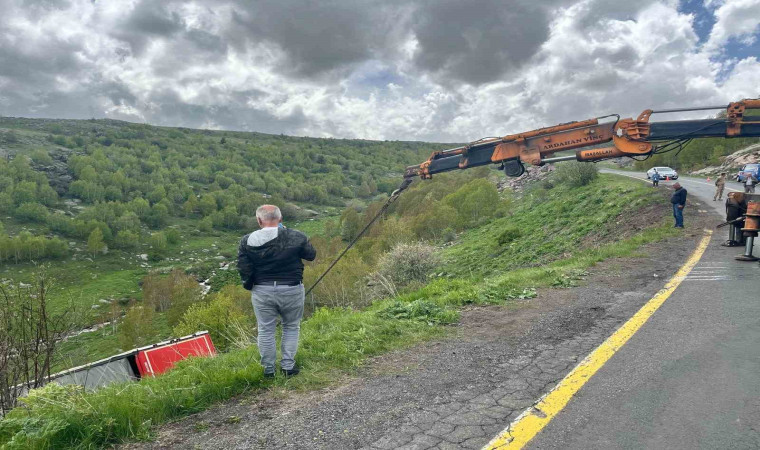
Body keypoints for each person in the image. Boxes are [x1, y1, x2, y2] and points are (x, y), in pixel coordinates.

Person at [237, 205, 317, 378]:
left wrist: (251, 286)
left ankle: (268, 370)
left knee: (266, 330)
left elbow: (244, 268)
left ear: (259, 220)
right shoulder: (296, 236)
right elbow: (311, 255)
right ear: (280, 219)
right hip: (292, 288)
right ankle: (288, 367)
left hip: (262, 290)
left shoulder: (246, 240)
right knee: (291, 327)